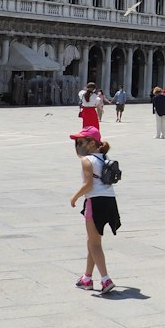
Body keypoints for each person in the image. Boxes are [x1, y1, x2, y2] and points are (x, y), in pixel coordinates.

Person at [70, 125, 119, 294]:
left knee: (95, 243)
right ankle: (87, 278)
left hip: (94, 202)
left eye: (81, 141)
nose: (78, 145)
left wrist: (75, 197)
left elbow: (88, 184)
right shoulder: (105, 157)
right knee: (92, 240)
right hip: (110, 201)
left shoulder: (87, 160)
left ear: (91, 143)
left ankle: (105, 280)